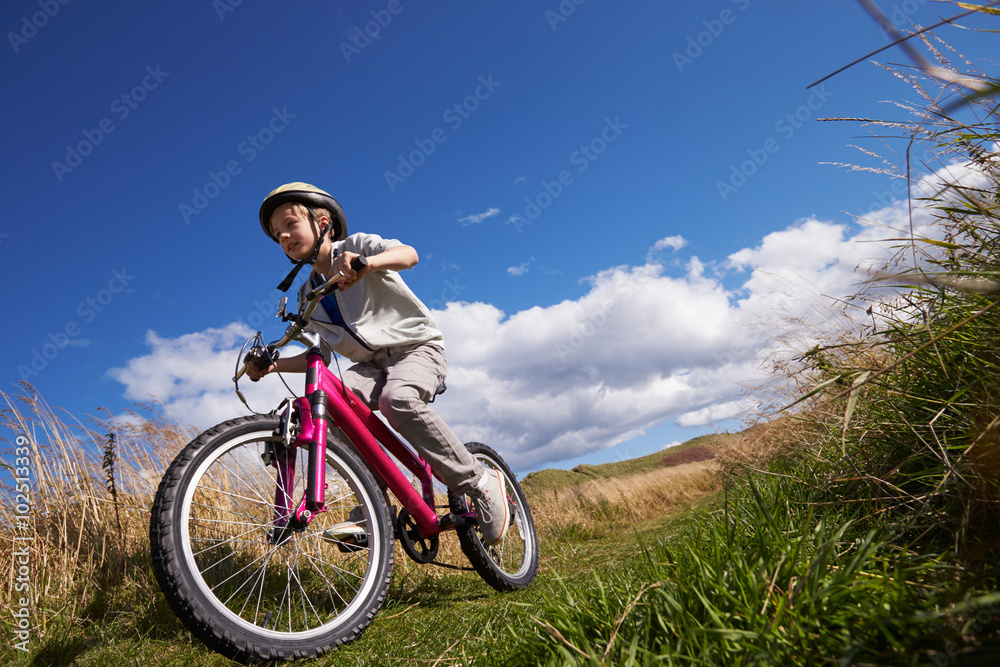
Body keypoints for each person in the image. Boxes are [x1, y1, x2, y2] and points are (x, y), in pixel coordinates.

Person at [247, 182, 510, 545]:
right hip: (371, 368)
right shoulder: (308, 294)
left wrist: (366, 265)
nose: (284, 237)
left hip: (417, 349)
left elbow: (408, 254)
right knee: (329, 406)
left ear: (322, 221)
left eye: (290, 224)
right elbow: (318, 358)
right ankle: (373, 507)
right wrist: (271, 365)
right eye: (277, 235)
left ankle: (479, 482)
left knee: (397, 400)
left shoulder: (355, 247)